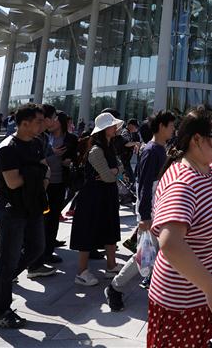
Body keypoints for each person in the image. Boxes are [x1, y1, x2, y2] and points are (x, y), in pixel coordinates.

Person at [147, 105, 212, 348]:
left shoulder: (208, 168)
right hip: (193, 304)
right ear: (197, 139)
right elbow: (170, 243)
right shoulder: (183, 181)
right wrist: (210, 287)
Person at [0, 103, 49, 329]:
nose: (43, 124)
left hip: (32, 207)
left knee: (36, 248)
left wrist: (39, 176)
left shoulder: (38, 143)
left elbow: (45, 170)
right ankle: (0, 309)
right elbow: (13, 182)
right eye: (38, 121)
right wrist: (37, 173)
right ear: (24, 123)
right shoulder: (8, 148)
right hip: (11, 211)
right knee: (8, 261)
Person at [105, 110, 176, 311]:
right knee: (145, 255)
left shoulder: (161, 149)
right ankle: (115, 287)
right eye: (171, 125)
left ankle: (158, 287)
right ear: (161, 126)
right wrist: (145, 216)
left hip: (160, 208)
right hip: (152, 211)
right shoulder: (151, 150)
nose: (173, 129)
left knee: (154, 254)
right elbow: (144, 185)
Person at [71, 112, 123, 286]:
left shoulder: (108, 146)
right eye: (112, 125)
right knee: (87, 232)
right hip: (93, 196)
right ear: (105, 129)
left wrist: (114, 171)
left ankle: (111, 265)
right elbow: (110, 175)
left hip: (105, 195)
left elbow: (117, 169)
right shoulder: (96, 150)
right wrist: (114, 171)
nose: (115, 128)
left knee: (110, 229)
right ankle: (81, 272)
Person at [31, 109, 77, 270]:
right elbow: (37, 158)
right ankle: (37, 254)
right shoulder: (42, 137)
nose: (51, 122)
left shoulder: (71, 138)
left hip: (59, 182)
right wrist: (52, 154)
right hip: (43, 183)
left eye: (55, 120)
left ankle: (48, 250)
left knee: (53, 218)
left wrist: (69, 161)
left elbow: (75, 157)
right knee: (41, 218)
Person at [118, 118, 142, 184]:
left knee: (129, 178)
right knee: (130, 179)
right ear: (130, 125)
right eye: (135, 126)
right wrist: (136, 143)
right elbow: (125, 143)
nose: (136, 128)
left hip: (126, 160)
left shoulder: (130, 133)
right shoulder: (125, 132)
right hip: (123, 160)